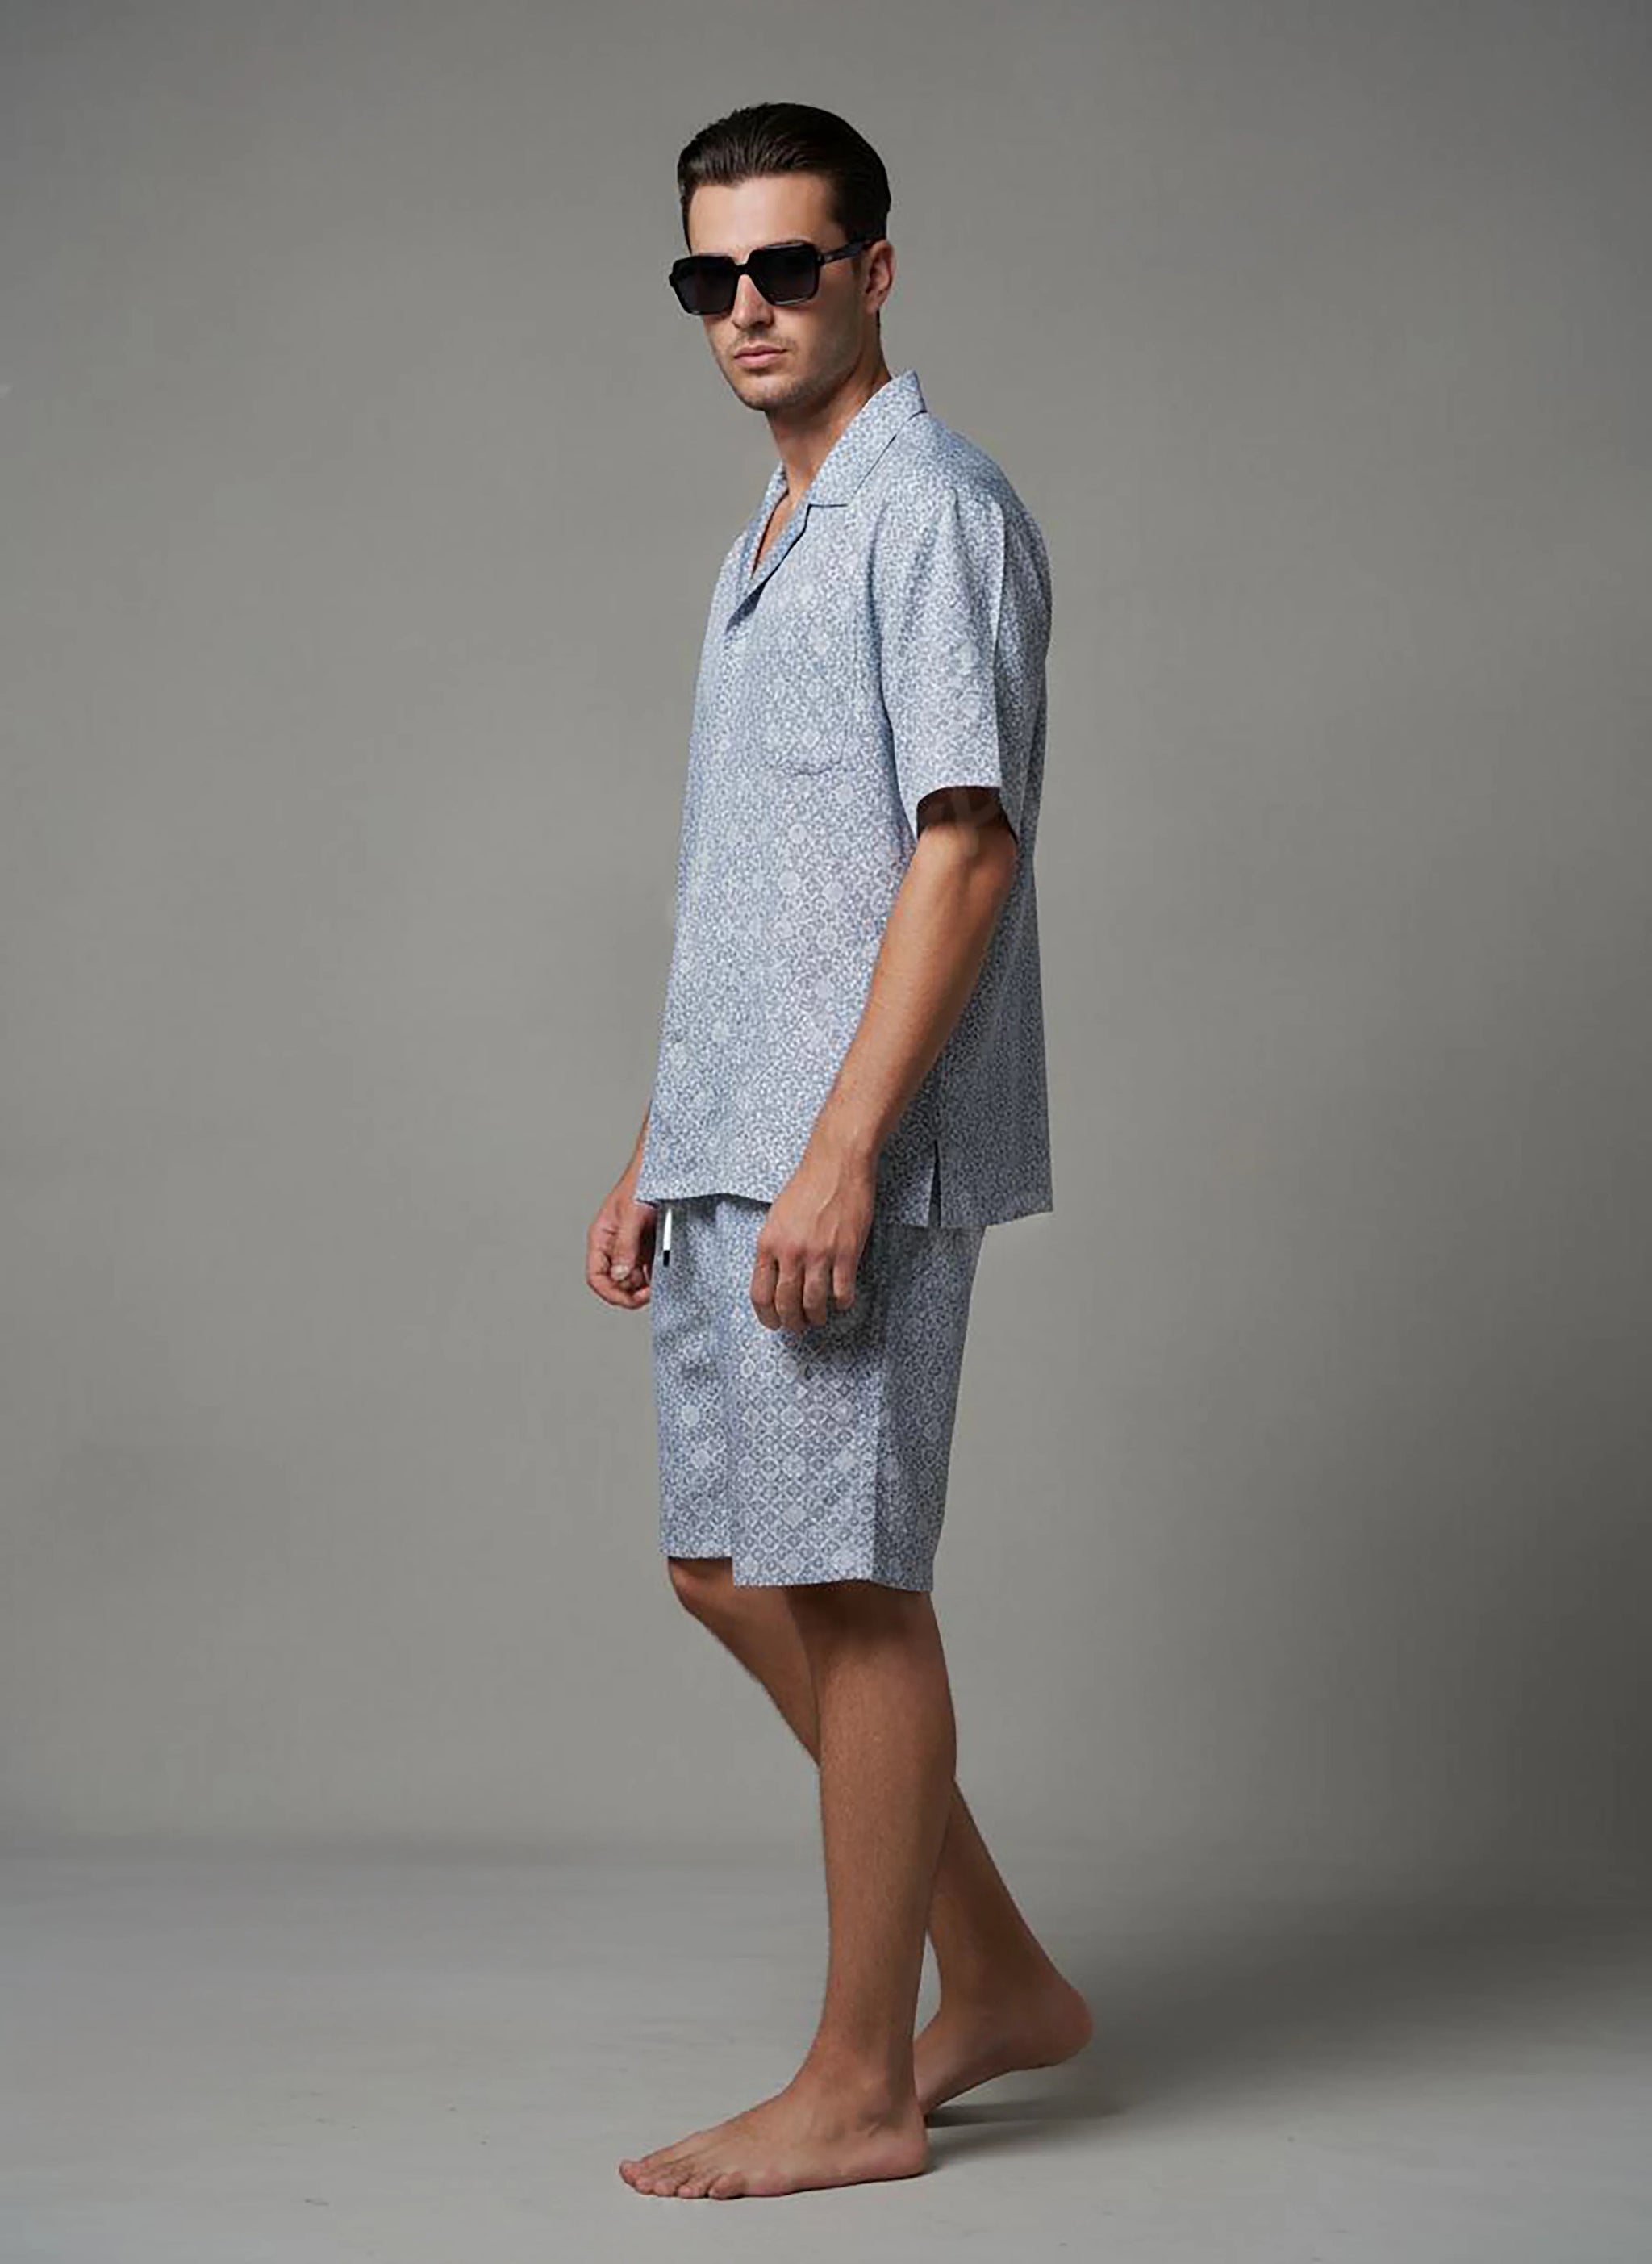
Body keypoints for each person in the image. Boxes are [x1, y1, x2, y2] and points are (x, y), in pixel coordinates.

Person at [586, 101, 1090, 2201]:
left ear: (872, 273)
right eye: (711, 276)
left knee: (855, 1592)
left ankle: (863, 2082)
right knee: (725, 1567)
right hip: (739, 1139)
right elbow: (762, 883)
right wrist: (667, 1136)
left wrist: (842, 1153)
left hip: (849, 1157)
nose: (748, 309)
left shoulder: (930, 509)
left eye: (786, 267)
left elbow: (962, 848)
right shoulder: (769, 536)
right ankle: (1003, 1976)